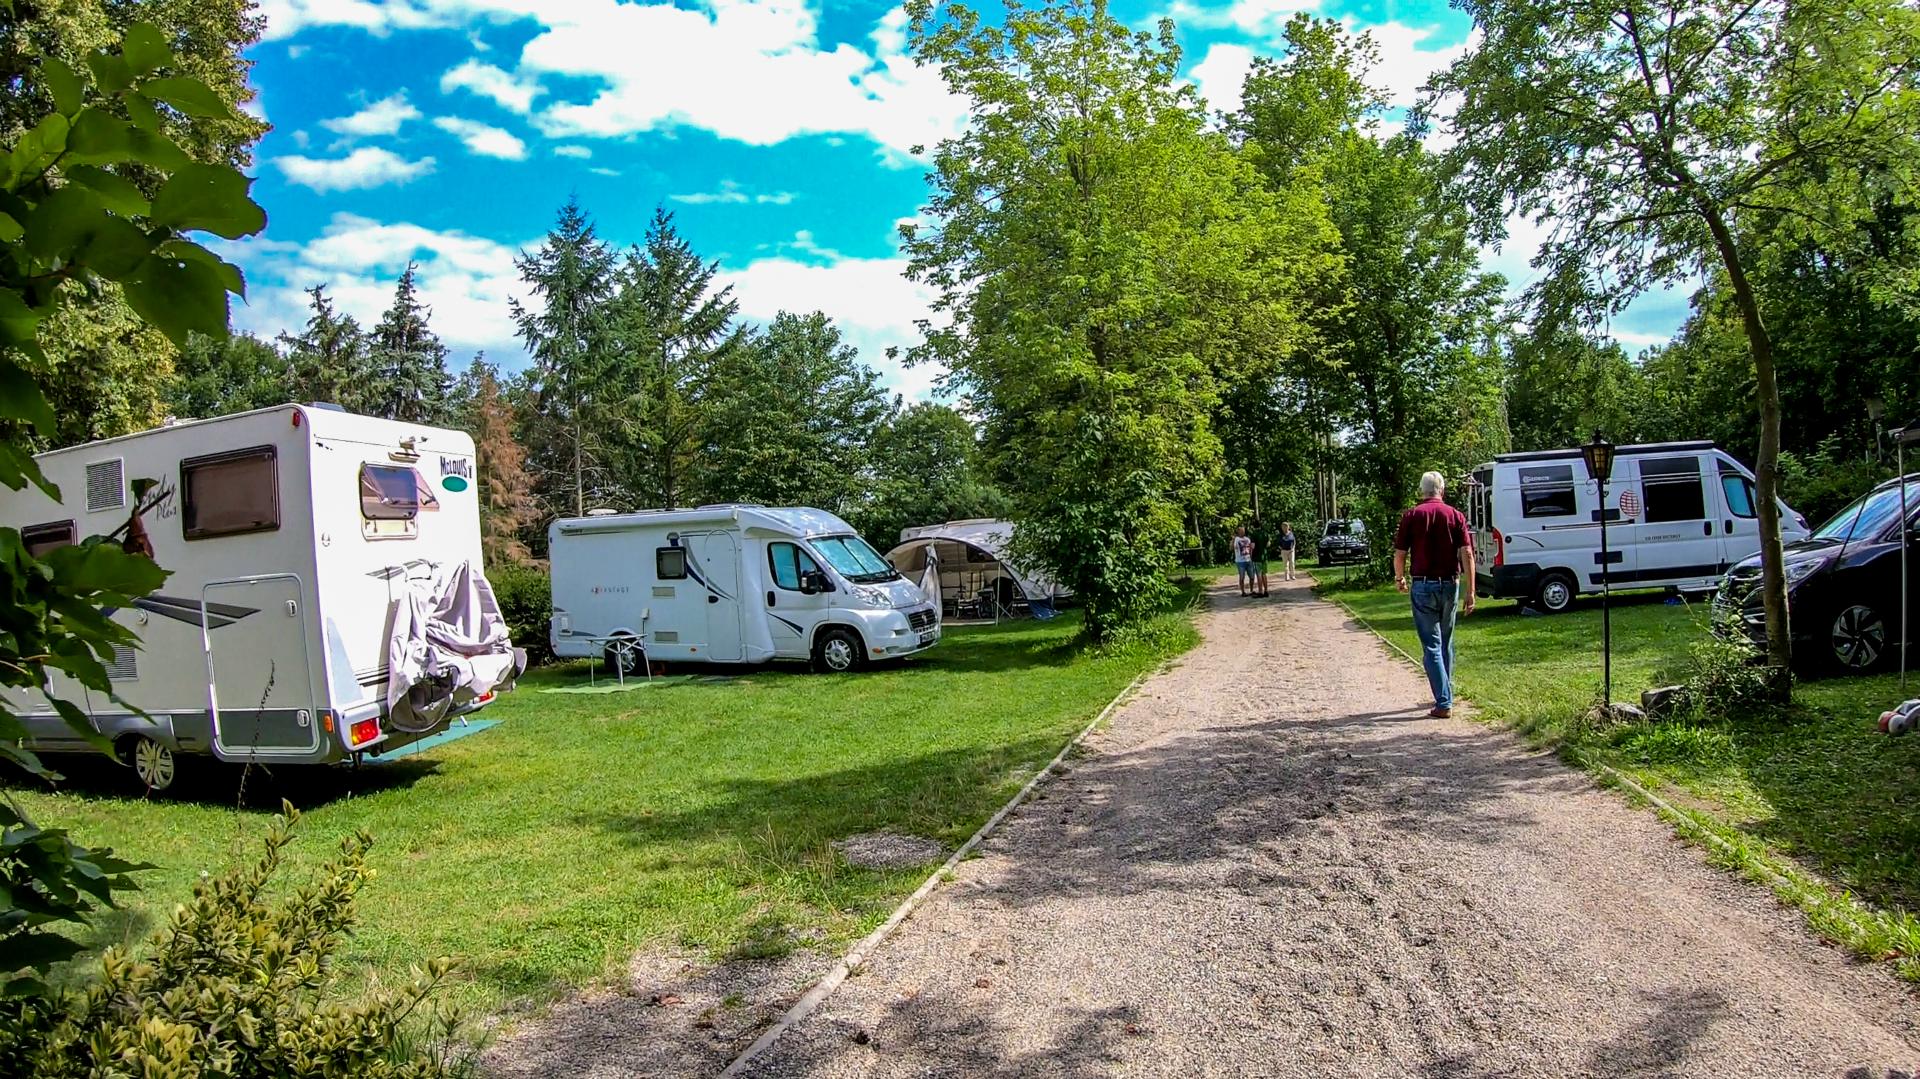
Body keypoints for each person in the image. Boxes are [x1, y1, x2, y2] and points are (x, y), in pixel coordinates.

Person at [1393, 471, 1476, 718]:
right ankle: (1446, 693)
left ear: (1422, 491)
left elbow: (1400, 553)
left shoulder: (1412, 516)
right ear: (1442, 490)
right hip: (1450, 584)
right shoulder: (1455, 516)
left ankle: (1443, 701)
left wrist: (1399, 577)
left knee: (1432, 644)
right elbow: (1467, 554)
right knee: (1446, 641)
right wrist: (1470, 591)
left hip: (1423, 585)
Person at [1249, 519, 1272, 597]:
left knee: (1258, 574)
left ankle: (1260, 591)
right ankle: (1266, 590)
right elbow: (1268, 544)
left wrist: (1251, 555)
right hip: (1264, 556)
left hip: (1257, 557)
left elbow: (1253, 546)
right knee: (1264, 574)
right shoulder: (1265, 534)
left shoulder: (1253, 534)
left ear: (1253, 526)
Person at [1231, 525, 1254, 597]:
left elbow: (1250, 548)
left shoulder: (1247, 539)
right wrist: (1232, 540)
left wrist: (1251, 557)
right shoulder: (1236, 539)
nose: (1242, 532)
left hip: (1248, 559)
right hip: (1240, 561)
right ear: (1238, 531)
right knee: (1242, 577)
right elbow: (1231, 548)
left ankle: (1251, 590)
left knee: (1252, 577)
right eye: (1241, 530)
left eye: (1243, 530)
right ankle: (1243, 591)